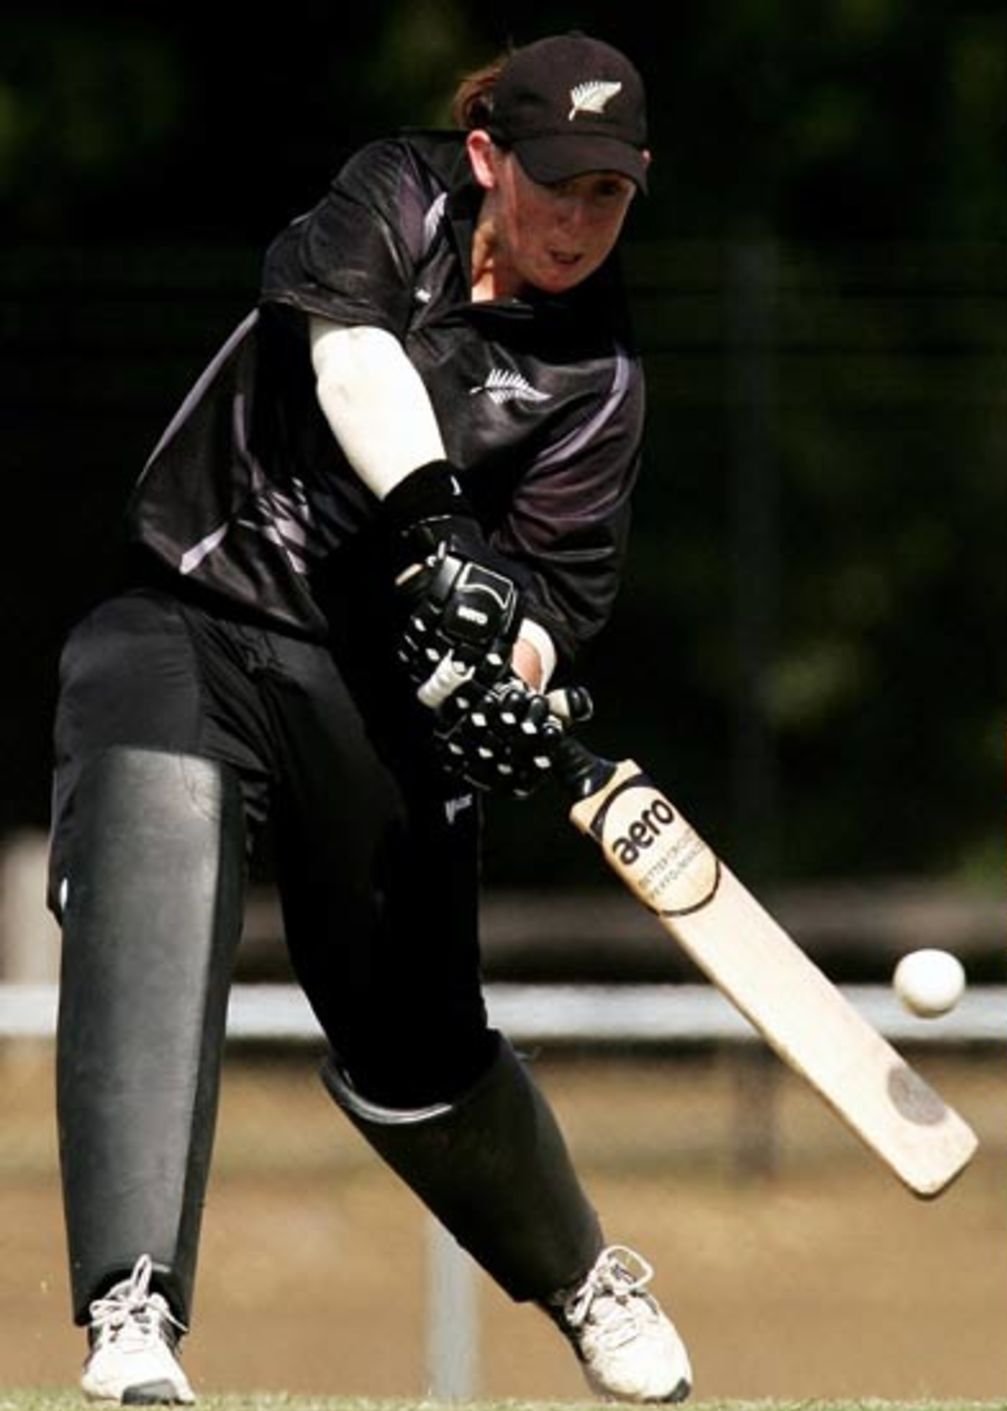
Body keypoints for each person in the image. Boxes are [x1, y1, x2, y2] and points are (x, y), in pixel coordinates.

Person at [48, 31, 692, 1406]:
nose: (580, 222)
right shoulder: (391, 199)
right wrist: (438, 534)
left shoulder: (598, 384)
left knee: (419, 1050)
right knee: (149, 867)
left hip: (375, 701)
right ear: (485, 159)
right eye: (558, 184)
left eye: (611, 195)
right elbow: (351, 363)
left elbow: (549, 610)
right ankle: (133, 1312)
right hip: (198, 615)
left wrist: (510, 680)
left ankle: (579, 1272)